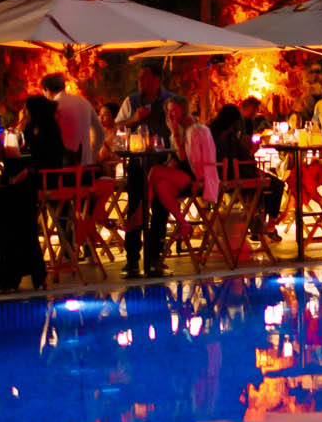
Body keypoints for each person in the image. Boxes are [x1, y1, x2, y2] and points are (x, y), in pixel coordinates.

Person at [0, 95, 67, 292]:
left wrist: (27, 172)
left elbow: (47, 161)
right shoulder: (33, 129)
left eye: (27, 110)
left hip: (42, 180)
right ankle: (15, 266)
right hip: (28, 181)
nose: (24, 113)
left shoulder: (50, 131)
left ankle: (12, 269)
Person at [118, 67, 178, 278]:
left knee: (160, 210)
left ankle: (155, 259)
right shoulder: (131, 101)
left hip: (163, 165)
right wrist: (134, 119)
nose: (140, 81)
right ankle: (132, 260)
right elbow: (117, 127)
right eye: (139, 78)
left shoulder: (170, 101)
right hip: (138, 165)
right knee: (135, 208)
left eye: (144, 77)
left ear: (156, 80)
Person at [146, 95, 219, 259]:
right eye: (168, 111)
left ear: (183, 110)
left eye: (174, 110)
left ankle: (140, 214)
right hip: (182, 175)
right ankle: (184, 224)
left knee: (155, 172)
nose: (170, 114)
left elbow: (187, 158)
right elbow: (177, 159)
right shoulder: (177, 130)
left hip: (197, 177)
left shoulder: (196, 130)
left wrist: (174, 133)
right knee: (161, 186)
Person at [212, 104, 282, 238]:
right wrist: (252, 150)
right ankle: (268, 226)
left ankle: (259, 223)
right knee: (277, 185)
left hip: (220, 175)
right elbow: (240, 157)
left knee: (266, 185)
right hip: (237, 176)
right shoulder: (228, 136)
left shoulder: (214, 134)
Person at [42, 72, 99, 168]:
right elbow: (99, 132)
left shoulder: (52, 107)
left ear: (47, 89)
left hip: (62, 164)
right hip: (85, 162)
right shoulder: (83, 102)